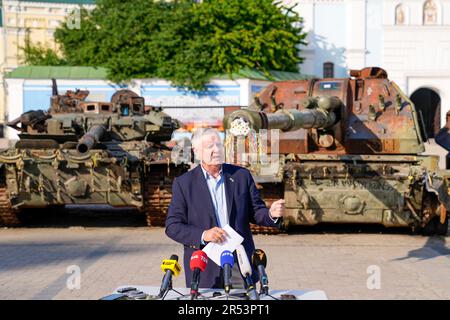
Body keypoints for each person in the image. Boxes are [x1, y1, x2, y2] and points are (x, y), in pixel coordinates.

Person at [165, 127, 285, 289]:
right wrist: (203, 234)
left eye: (219, 145)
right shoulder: (184, 183)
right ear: (197, 152)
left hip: (239, 262)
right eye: (210, 147)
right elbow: (173, 226)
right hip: (204, 264)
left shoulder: (241, 176)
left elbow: (256, 211)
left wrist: (271, 214)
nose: (216, 150)